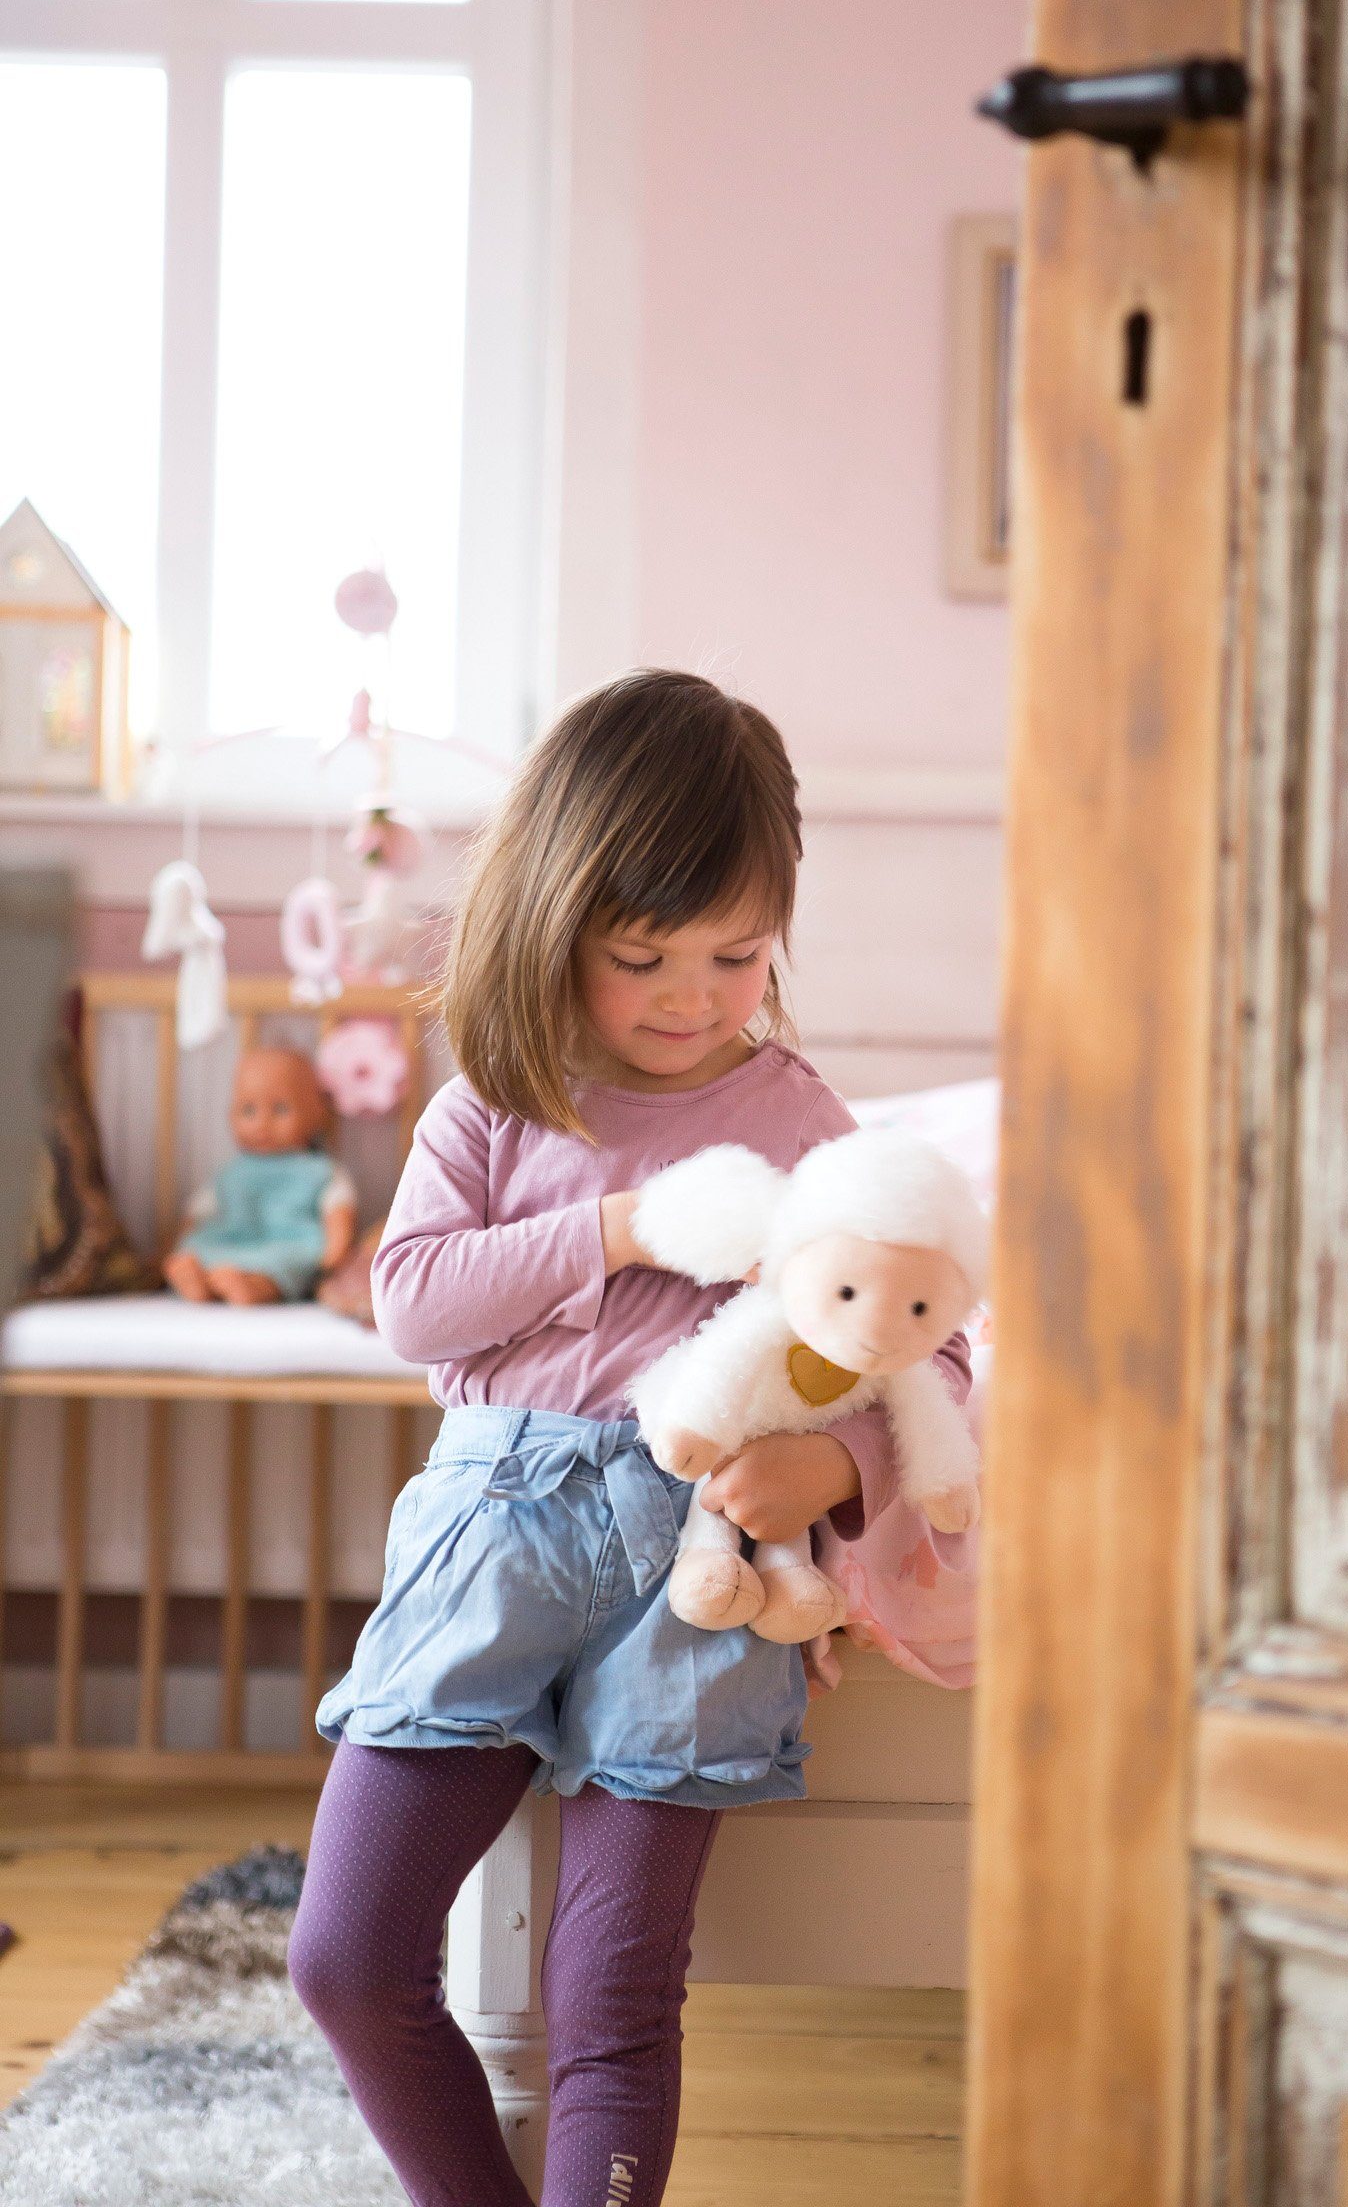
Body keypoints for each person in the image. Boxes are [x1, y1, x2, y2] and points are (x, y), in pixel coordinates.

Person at [286, 667, 974, 2206]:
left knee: (610, 2006)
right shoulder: (492, 1105)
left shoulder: (803, 1126)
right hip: (491, 1540)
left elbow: (939, 1356)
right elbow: (411, 1304)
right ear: (551, 922)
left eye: (734, 955)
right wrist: (617, 1227)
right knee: (346, 1959)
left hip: (701, 1570)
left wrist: (833, 1471)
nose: (689, 995)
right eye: (641, 954)